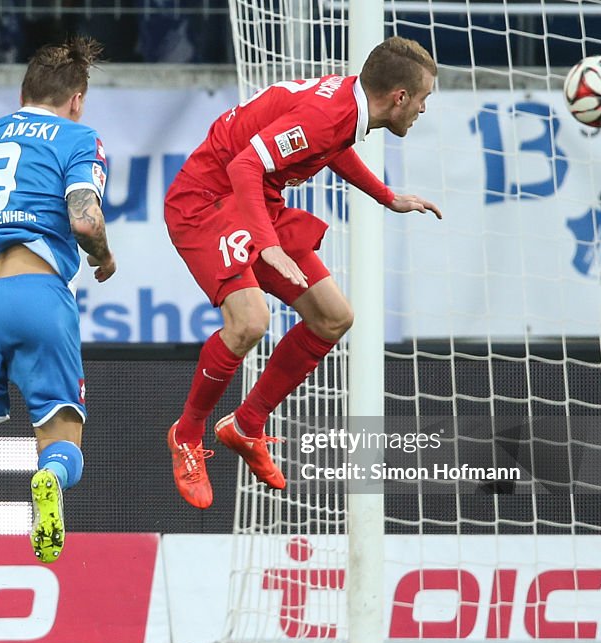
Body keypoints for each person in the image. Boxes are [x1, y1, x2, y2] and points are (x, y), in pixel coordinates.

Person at [164, 36, 443, 509]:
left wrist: (385, 195)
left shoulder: (347, 108)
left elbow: (328, 146)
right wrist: (267, 246)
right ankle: (186, 435)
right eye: (422, 99)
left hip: (256, 202)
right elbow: (246, 165)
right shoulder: (328, 114)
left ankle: (246, 424)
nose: (421, 109)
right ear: (399, 97)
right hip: (208, 201)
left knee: (334, 316)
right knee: (251, 321)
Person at [0, 36, 114, 643]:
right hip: (39, 291)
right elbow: (85, 220)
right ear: (77, 100)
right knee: (63, 433)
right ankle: (47, 480)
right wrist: (104, 255)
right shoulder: (75, 139)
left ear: (21, 94)